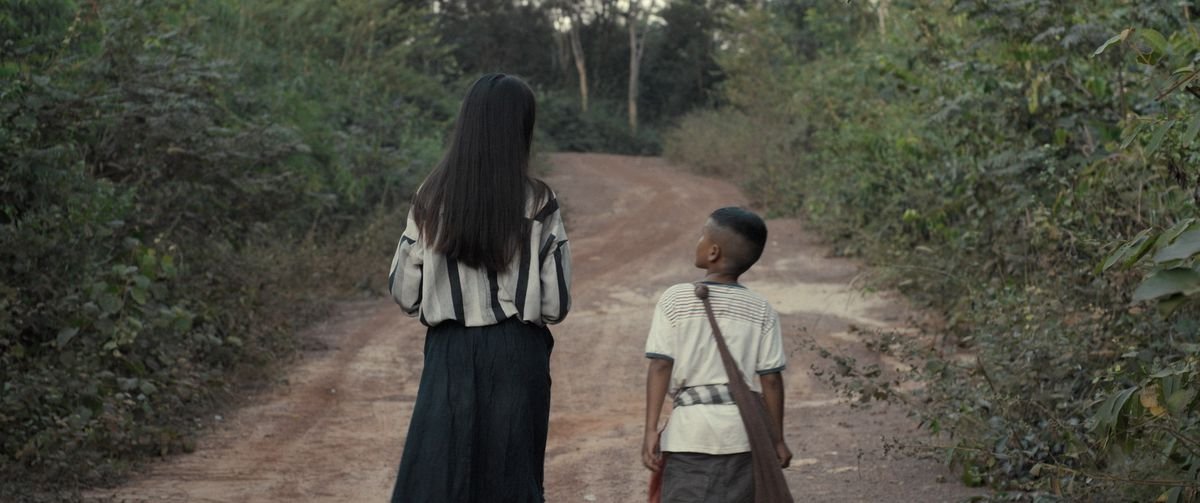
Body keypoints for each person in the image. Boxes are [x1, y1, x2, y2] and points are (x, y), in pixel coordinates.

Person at [387, 73, 571, 503]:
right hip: (515, 352)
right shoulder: (540, 202)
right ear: (521, 128)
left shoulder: (430, 197)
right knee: (509, 473)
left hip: (448, 352)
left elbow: (404, 292)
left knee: (439, 472)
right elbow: (555, 303)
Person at [641, 207, 792, 502]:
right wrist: (777, 439)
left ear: (713, 252)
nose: (696, 241)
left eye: (701, 236)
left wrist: (649, 430)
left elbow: (660, 364)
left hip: (689, 436)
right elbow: (771, 380)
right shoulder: (761, 309)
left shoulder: (676, 298)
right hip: (744, 436)